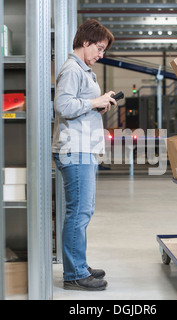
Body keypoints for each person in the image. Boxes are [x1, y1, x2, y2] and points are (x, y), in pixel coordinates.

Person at [52, 19, 116, 291]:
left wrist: (97, 106)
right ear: (86, 42)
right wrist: (94, 102)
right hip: (74, 149)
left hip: (82, 148)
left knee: (82, 211)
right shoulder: (72, 69)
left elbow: (77, 105)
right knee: (79, 212)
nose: (101, 55)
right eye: (99, 48)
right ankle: (75, 274)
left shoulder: (83, 70)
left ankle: (77, 264)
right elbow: (63, 105)